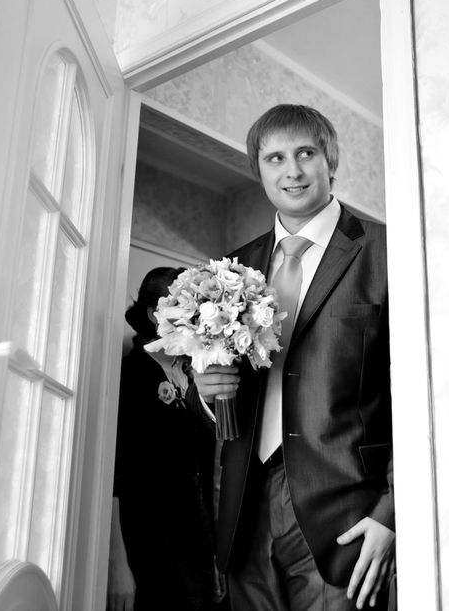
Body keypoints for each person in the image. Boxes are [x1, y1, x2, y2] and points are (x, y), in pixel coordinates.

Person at [196, 105, 394, 610]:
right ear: (259, 170)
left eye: (306, 153)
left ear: (331, 160)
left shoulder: (387, 252)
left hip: (347, 514)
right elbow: (224, 382)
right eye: (275, 158)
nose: (293, 171)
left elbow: (424, 392)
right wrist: (205, 392)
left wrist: (392, 512)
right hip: (245, 509)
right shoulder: (232, 266)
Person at [108, 266, 224, 611]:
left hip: (198, 542)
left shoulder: (197, 372)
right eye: (182, 308)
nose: (193, 319)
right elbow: (114, 477)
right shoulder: (130, 375)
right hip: (149, 546)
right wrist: (117, 564)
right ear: (153, 314)